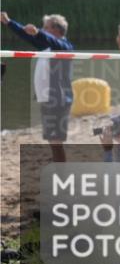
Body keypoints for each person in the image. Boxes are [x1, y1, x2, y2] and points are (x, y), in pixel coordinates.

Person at [1, 12, 73, 162]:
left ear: (56, 30)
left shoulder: (64, 46)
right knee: (52, 139)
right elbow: (26, 35)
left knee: (55, 140)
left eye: (45, 27)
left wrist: (39, 32)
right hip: (47, 98)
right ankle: (57, 164)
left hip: (57, 99)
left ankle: (61, 172)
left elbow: (55, 42)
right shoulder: (47, 46)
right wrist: (8, 22)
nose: (42, 29)